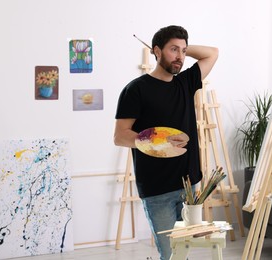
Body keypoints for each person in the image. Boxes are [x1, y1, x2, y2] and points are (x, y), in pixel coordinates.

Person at [114, 25, 218, 260]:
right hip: (157, 189)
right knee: (170, 254)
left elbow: (213, 52)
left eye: (183, 50)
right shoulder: (135, 90)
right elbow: (120, 136)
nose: (180, 56)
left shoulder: (186, 82)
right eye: (173, 49)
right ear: (156, 51)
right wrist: (158, 140)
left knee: (185, 252)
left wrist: (182, 48)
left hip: (189, 186)